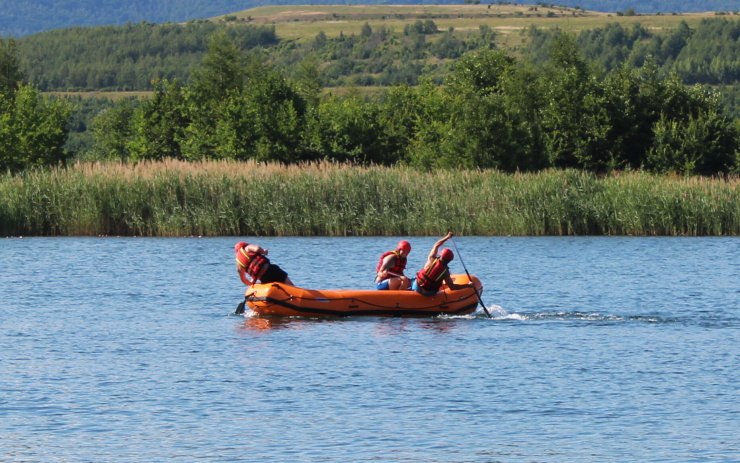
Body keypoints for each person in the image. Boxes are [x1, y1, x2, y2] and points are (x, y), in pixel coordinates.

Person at [412, 232, 470, 296]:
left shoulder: (432, 258)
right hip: (427, 292)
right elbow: (452, 287)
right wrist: (468, 285)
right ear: (449, 260)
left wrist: (447, 237)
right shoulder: (445, 272)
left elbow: (436, 245)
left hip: (416, 286)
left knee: (414, 280)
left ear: (441, 255)